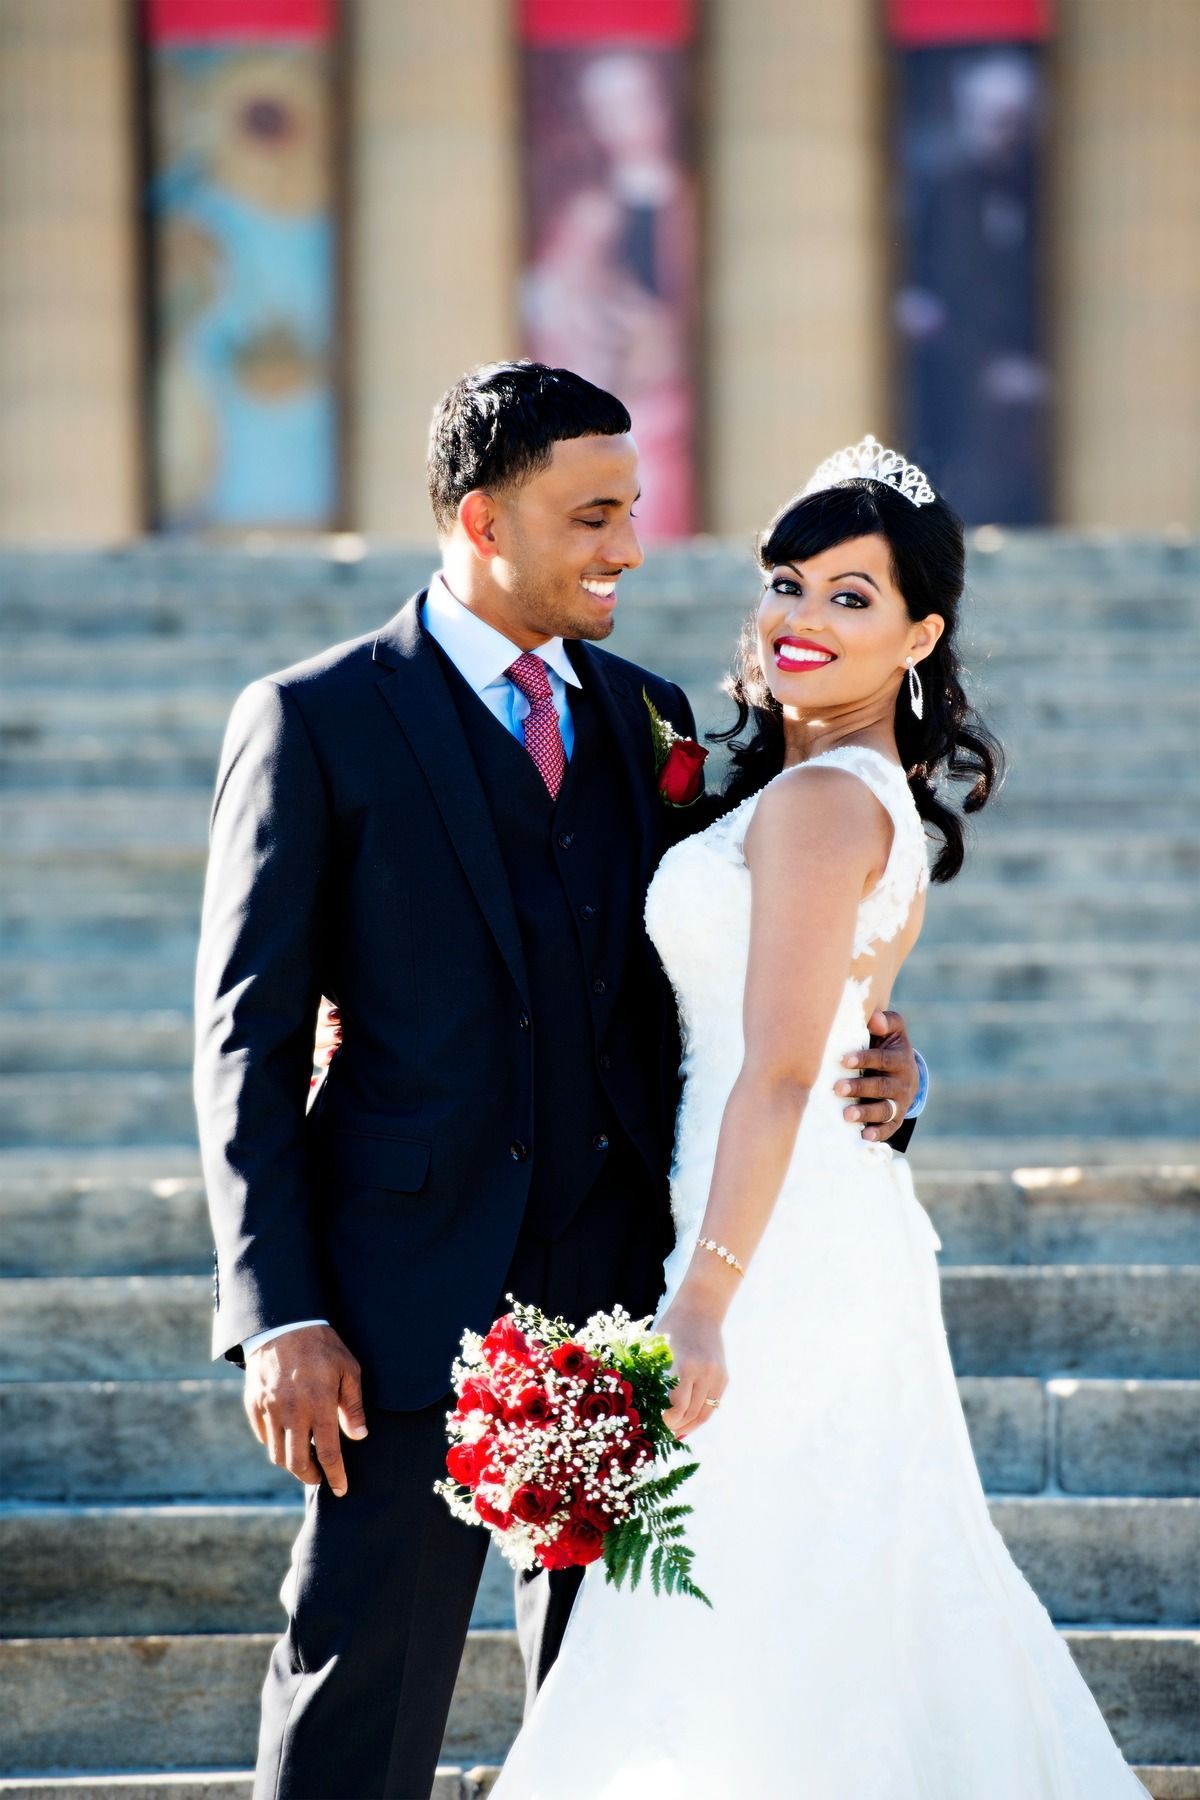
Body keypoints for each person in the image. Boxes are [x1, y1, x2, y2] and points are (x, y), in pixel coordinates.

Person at [193, 367, 925, 1800]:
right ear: (482, 517)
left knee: (618, 1717)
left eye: (631, 511)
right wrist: (278, 1308)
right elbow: (248, 1038)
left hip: (622, 1299)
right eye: (593, 516)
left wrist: (875, 1056)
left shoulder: (653, 722)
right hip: (399, 1306)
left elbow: (745, 965)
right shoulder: (316, 718)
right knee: (360, 1689)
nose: (630, 549)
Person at [489, 436, 1151, 1798]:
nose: (802, 618)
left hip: (768, 1248)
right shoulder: (862, 797)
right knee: (824, 1606)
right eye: (789, 583)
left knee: (750, 1622)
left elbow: (783, 1071)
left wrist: (705, 1302)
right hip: (815, 1221)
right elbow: (835, 1038)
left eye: (854, 597)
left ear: (922, 634)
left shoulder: (813, 807)